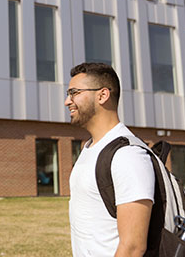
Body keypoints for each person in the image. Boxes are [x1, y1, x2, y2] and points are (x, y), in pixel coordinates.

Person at [66, 63, 155, 256]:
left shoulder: (127, 155)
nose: (67, 101)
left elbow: (133, 247)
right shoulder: (89, 148)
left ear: (102, 95)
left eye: (74, 92)